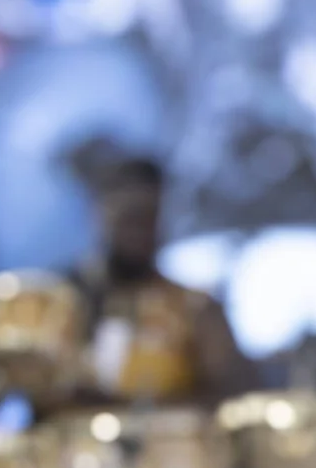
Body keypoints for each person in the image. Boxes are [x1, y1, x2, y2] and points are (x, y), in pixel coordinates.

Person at [78, 155, 257, 404]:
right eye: (130, 218)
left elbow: (236, 395)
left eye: (149, 219)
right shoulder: (68, 304)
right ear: (100, 215)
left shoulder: (194, 308)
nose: (139, 233)